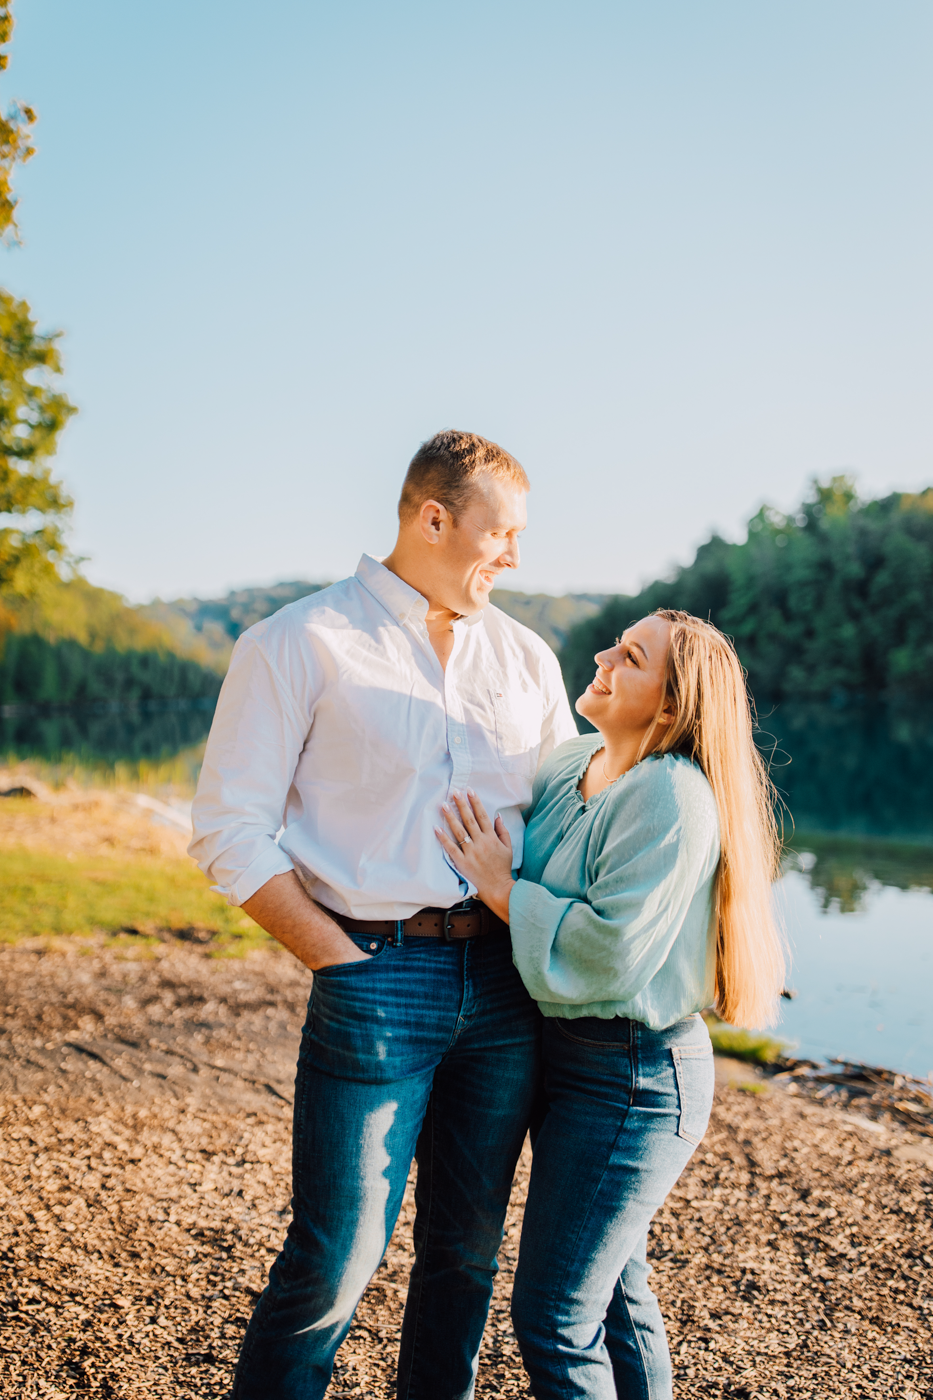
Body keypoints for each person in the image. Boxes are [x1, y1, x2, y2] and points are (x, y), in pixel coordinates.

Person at [188, 430, 578, 1400]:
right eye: (503, 532)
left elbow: (574, 819)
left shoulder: (527, 658)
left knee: (466, 1257)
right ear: (432, 516)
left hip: (504, 982)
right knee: (333, 1261)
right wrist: (338, 959)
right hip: (374, 973)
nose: (516, 557)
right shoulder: (297, 641)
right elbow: (229, 830)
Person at [437, 608, 785, 1400]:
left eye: (629, 656)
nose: (601, 656)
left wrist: (500, 889)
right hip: (569, 1064)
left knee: (555, 1319)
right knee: (618, 1297)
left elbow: (608, 952)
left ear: (668, 707)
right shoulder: (572, 765)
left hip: (635, 1076)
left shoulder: (671, 796)